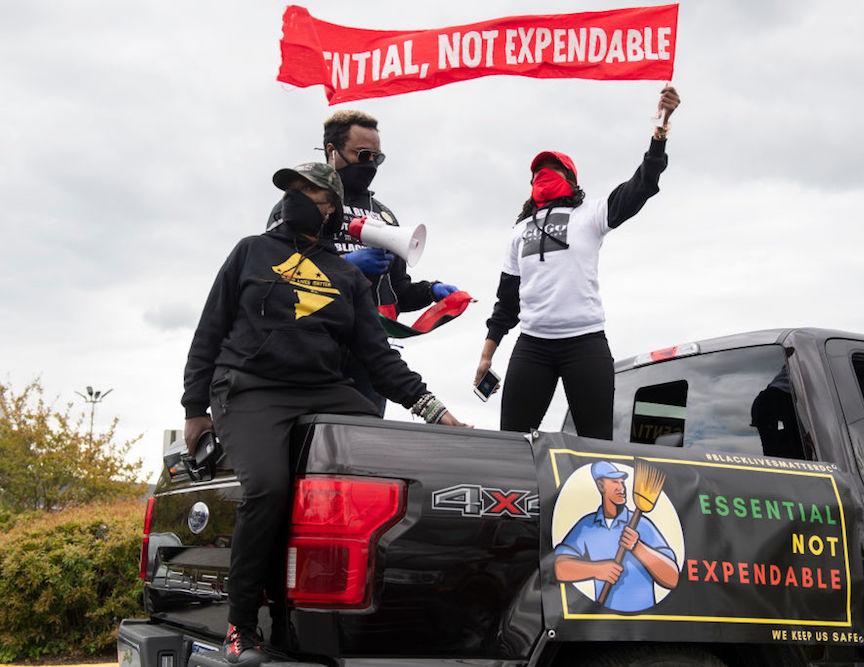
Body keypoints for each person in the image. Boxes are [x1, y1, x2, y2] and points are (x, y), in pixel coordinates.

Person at [184, 162, 467, 665]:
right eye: (292, 189)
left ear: (331, 205)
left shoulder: (346, 275)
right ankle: (241, 625)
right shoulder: (250, 251)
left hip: (321, 388)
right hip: (249, 388)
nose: (296, 196)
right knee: (267, 487)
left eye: (309, 190)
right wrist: (194, 408)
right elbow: (210, 329)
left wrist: (435, 412)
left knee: (382, 453)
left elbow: (380, 358)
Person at [475, 84, 681, 440]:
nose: (545, 174)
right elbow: (506, 303)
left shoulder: (592, 214)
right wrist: (485, 357)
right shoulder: (519, 231)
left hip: (584, 343)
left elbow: (642, 184)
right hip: (533, 345)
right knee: (511, 444)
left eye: (554, 169)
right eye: (539, 171)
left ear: (571, 180)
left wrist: (661, 129)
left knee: (597, 444)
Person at [266, 110, 461, 415]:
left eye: (377, 158)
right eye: (363, 154)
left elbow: (397, 292)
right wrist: (347, 265)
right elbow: (275, 274)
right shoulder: (297, 205)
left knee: (363, 442)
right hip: (311, 344)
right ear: (332, 151)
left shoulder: (384, 216)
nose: (370, 164)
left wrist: (432, 292)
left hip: (368, 351)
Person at [554, 461, 678, 612]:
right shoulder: (586, 526)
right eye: (614, 482)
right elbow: (559, 567)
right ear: (601, 486)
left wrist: (638, 547)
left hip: (644, 626)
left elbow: (672, 578)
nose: (622, 487)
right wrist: (597, 570)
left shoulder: (643, 525)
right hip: (601, 625)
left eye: (622, 482)